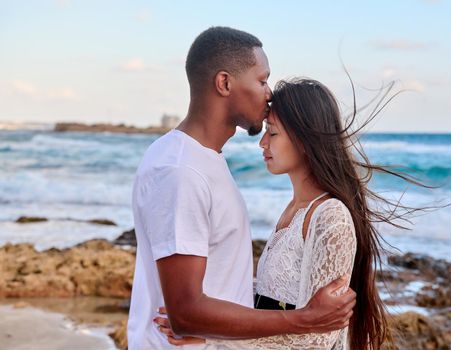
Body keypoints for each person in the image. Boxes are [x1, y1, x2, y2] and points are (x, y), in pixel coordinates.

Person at [127, 27, 356, 350]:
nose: (268, 93)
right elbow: (186, 312)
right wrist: (303, 319)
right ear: (224, 83)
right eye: (262, 80)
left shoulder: (206, 162)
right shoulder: (181, 170)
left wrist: (216, 332)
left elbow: (220, 285)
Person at [156, 78, 396, 349]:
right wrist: (205, 328)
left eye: (272, 132)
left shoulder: (331, 217)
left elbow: (318, 339)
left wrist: (214, 335)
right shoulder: (293, 211)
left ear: (305, 139)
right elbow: (276, 309)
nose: (262, 143)